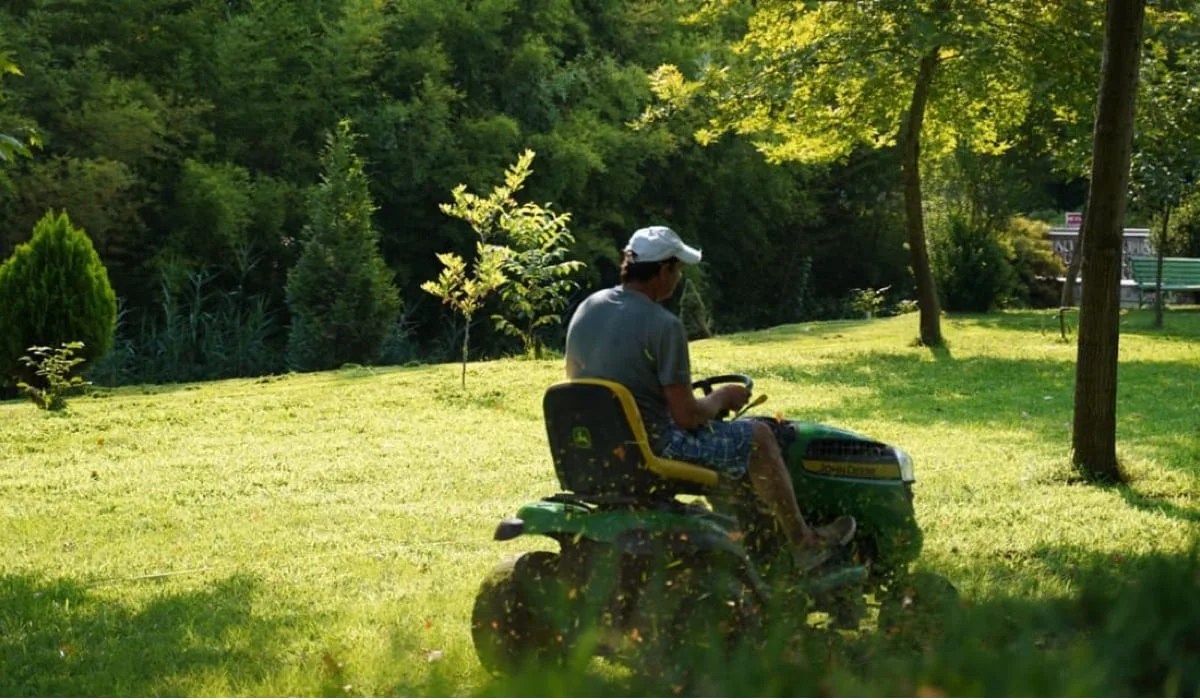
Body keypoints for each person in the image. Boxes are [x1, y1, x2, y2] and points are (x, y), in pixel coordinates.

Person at [564, 225, 856, 572]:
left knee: (730, 441)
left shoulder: (587, 309)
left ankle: (748, 543)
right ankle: (804, 543)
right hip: (655, 449)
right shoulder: (663, 325)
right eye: (678, 269)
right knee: (759, 437)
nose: (679, 278)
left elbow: (582, 382)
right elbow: (687, 416)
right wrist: (722, 397)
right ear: (663, 271)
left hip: (597, 449)